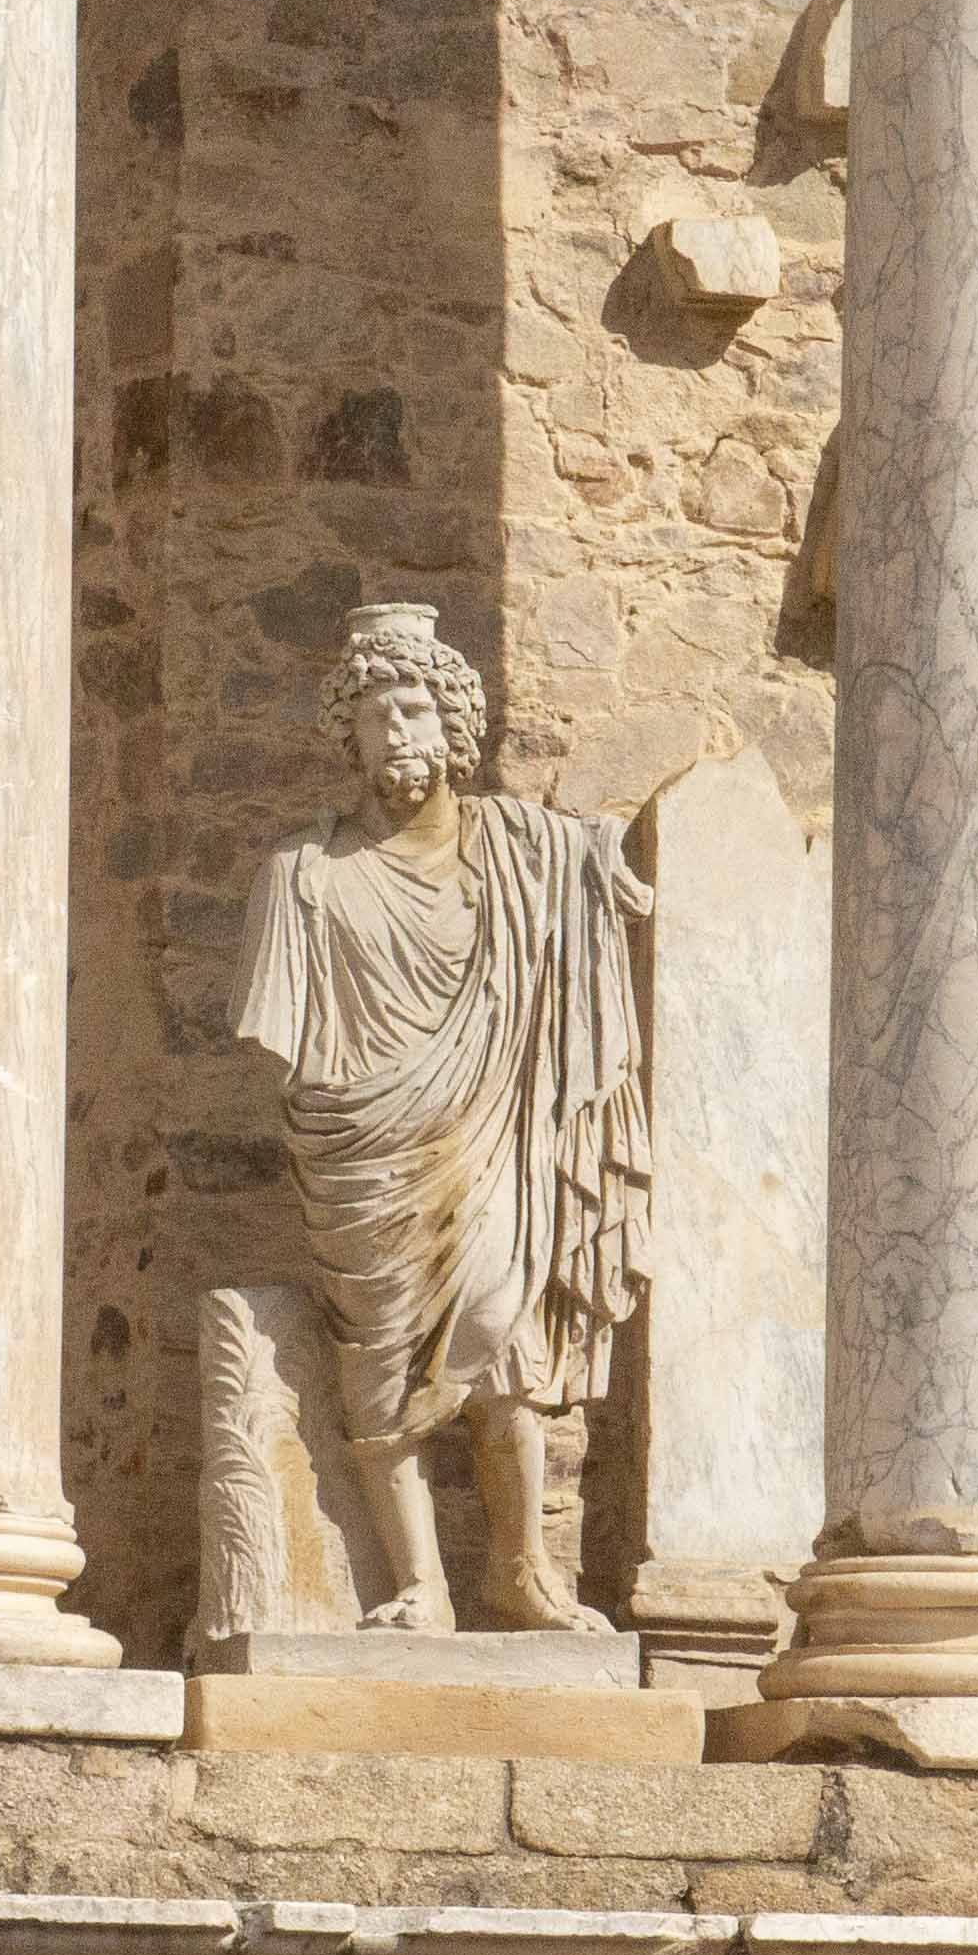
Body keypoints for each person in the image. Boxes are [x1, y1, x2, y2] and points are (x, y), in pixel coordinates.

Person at [229, 596, 652, 1634]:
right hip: (360, 1147)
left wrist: (604, 867)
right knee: (377, 1365)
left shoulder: (520, 854)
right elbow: (274, 1030)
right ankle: (419, 1584)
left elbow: (590, 867)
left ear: (454, 726)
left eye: (414, 707)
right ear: (350, 736)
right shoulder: (303, 877)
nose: (396, 731)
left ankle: (523, 1570)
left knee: (502, 1334)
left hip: (488, 1127)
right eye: (375, 714)